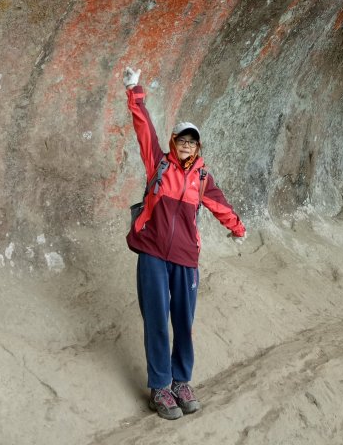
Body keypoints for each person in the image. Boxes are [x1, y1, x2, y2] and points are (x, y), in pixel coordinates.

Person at [122, 66, 247, 420]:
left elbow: (220, 204)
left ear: (198, 146)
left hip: (185, 258)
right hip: (152, 253)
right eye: (181, 139)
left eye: (192, 141)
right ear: (174, 142)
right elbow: (143, 129)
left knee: (183, 320)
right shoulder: (158, 165)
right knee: (157, 320)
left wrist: (237, 228)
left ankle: (181, 382)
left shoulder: (203, 178)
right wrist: (135, 89)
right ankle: (160, 387)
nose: (186, 145)